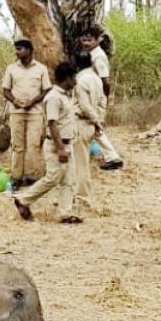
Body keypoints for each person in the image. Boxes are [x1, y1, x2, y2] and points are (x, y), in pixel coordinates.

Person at [13, 62, 82, 224]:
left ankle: (65, 213)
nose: (76, 81)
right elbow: (52, 124)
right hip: (57, 145)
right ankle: (23, 199)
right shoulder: (53, 98)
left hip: (67, 143)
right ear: (68, 78)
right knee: (52, 178)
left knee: (68, 180)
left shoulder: (64, 96)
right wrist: (60, 149)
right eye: (74, 78)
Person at [1, 39, 52, 187]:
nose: (17, 52)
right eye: (16, 49)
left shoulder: (41, 69)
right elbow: (5, 90)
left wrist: (33, 102)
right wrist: (15, 101)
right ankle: (16, 176)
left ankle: (31, 176)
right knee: (17, 145)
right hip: (16, 112)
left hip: (35, 113)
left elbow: (46, 89)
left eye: (21, 49)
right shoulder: (11, 69)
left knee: (33, 144)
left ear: (30, 51)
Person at [79, 29, 124, 170]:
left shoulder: (98, 56)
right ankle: (107, 156)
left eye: (89, 40)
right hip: (90, 92)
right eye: (84, 40)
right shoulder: (91, 54)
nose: (86, 43)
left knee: (95, 127)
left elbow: (105, 80)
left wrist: (104, 99)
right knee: (93, 128)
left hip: (96, 95)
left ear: (98, 40)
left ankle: (112, 157)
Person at [72, 52, 106, 213]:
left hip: (81, 123)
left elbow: (84, 106)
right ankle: (79, 197)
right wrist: (99, 120)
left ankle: (82, 199)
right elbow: (102, 102)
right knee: (82, 162)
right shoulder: (97, 79)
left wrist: (96, 121)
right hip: (90, 125)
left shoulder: (80, 80)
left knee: (80, 164)